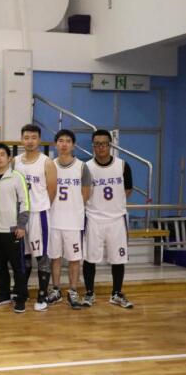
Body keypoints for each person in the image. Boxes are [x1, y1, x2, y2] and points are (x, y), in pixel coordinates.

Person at [83, 129, 134, 308]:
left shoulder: (122, 165)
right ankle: (89, 293)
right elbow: (83, 191)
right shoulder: (87, 167)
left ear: (110, 145)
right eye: (97, 144)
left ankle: (116, 293)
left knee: (118, 258)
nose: (100, 147)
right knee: (90, 257)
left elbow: (128, 189)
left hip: (116, 219)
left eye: (104, 144)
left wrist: (114, 205)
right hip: (93, 217)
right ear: (93, 146)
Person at [13, 124, 57, 312]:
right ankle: (22, 292)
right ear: (21, 139)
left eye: (33, 137)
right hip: (20, 215)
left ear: (39, 140)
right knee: (23, 254)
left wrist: (40, 206)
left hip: (39, 214)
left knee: (41, 255)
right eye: (26, 137)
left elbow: (52, 191)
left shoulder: (47, 162)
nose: (30, 141)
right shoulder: (15, 161)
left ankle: (42, 293)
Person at [47, 129, 91, 310]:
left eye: (68, 141)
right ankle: (56, 289)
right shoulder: (49, 165)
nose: (64, 144)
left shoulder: (82, 166)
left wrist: (74, 208)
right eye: (61, 140)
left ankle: (73, 291)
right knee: (55, 257)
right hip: (53, 220)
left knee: (74, 259)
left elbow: (86, 194)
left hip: (74, 222)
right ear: (56, 144)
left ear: (73, 145)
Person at [0, 143, 30, 313]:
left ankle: (21, 296)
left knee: (18, 266)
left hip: (12, 230)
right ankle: (3, 294)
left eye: (2, 154)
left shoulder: (17, 177)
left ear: (9, 158)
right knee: (0, 266)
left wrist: (21, 225)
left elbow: (25, 202)